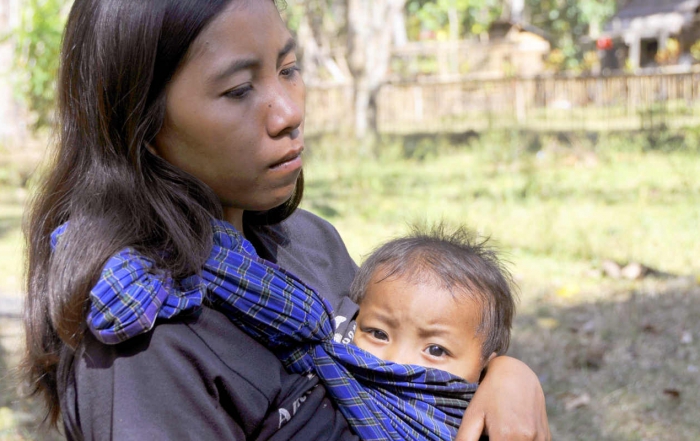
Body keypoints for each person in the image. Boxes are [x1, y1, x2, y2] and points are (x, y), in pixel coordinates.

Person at [20, 0, 550, 440]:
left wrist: (505, 375)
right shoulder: (146, 340)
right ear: (140, 119)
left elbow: (407, 364)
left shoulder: (307, 241)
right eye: (238, 90)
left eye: (289, 69)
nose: (288, 112)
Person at [350, 224, 516, 385]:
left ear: (483, 370)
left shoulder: (476, 412)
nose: (396, 362)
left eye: (436, 350)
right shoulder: (334, 379)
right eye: (379, 334)